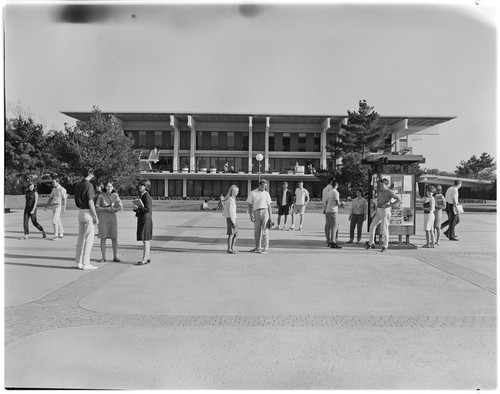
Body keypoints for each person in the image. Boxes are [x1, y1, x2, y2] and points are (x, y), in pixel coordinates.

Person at [365, 178, 401, 252]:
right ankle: (371, 243)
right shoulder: (380, 192)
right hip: (379, 210)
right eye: (380, 185)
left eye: (382, 185)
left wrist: (390, 205)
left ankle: (385, 246)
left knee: (384, 228)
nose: (381, 186)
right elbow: (378, 201)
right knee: (372, 226)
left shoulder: (389, 192)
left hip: (385, 211)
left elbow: (398, 199)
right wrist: (375, 210)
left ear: (386, 185)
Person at [74, 167, 99, 270]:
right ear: (90, 174)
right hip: (88, 212)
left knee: (81, 238)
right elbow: (90, 201)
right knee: (89, 239)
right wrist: (95, 215)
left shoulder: (78, 185)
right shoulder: (89, 185)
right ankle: (86, 263)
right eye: (92, 174)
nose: (93, 176)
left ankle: (79, 261)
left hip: (80, 212)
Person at [96, 181, 123, 262]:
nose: (109, 188)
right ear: (105, 187)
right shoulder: (101, 196)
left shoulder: (115, 195)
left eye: (111, 186)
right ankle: (103, 257)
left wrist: (115, 209)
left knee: (114, 237)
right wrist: (105, 209)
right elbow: (97, 207)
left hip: (112, 217)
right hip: (103, 217)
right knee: (103, 237)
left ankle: (115, 256)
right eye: (107, 186)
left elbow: (120, 206)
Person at [247, 179, 272, 254]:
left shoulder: (266, 194)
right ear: (260, 185)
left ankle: (265, 248)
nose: (265, 187)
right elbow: (249, 204)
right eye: (264, 186)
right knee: (257, 231)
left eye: (266, 186)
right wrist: (250, 214)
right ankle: (258, 247)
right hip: (256, 211)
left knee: (265, 230)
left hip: (265, 211)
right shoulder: (253, 193)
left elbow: (269, 205)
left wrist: (270, 217)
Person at [134, 178, 153, 265]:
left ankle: (144, 258)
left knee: (145, 239)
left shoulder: (146, 196)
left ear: (146, 186)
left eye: (141, 185)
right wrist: (137, 209)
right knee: (145, 239)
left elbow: (148, 209)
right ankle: (147, 257)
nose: (139, 187)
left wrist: (138, 208)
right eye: (139, 185)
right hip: (143, 218)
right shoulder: (143, 195)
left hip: (145, 219)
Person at [222, 185, 239, 254]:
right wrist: (233, 221)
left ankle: (232, 248)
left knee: (235, 234)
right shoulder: (231, 199)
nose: (238, 192)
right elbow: (231, 211)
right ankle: (229, 249)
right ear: (234, 192)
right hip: (231, 218)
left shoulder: (231, 199)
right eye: (237, 191)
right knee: (231, 234)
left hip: (233, 218)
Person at [324, 181, 342, 248]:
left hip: (327, 210)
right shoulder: (336, 192)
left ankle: (328, 240)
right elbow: (337, 202)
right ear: (336, 185)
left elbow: (326, 201)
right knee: (334, 226)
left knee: (327, 226)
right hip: (333, 211)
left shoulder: (328, 192)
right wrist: (341, 204)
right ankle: (333, 242)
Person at [322, 179, 334, 244]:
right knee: (334, 225)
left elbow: (323, 199)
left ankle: (327, 238)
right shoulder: (331, 189)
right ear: (331, 182)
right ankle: (333, 239)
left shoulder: (324, 189)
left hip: (325, 208)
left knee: (327, 224)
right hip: (331, 208)